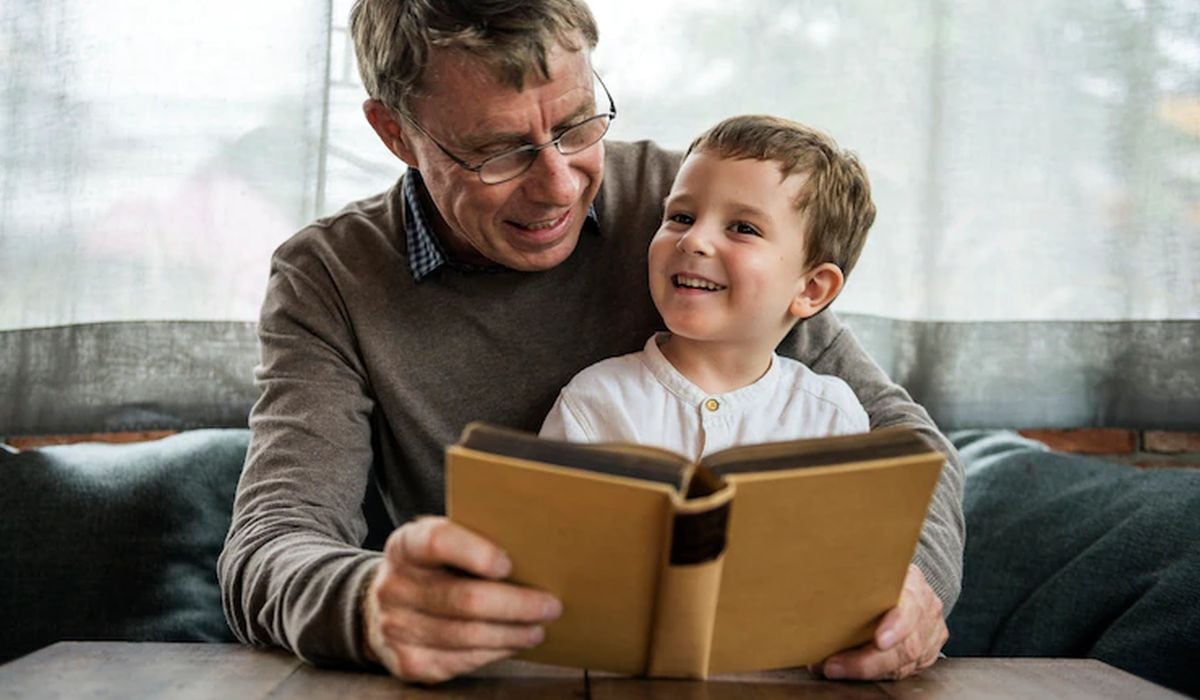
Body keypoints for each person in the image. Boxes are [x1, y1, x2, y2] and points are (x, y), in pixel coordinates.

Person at [218, 0, 964, 685]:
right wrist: (369, 603)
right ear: (396, 134)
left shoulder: (689, 207)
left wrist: (908, 595)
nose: (558, 186)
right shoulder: (330, 277)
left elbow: (911, 451)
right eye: (498, 151)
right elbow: (270, 543)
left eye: (577, 125)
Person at [541, 115, 874, 456]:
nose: (693, 239)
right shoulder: (595, 404)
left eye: (743, 228)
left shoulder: (834, 418)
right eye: (681, 217)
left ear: (812, 290)